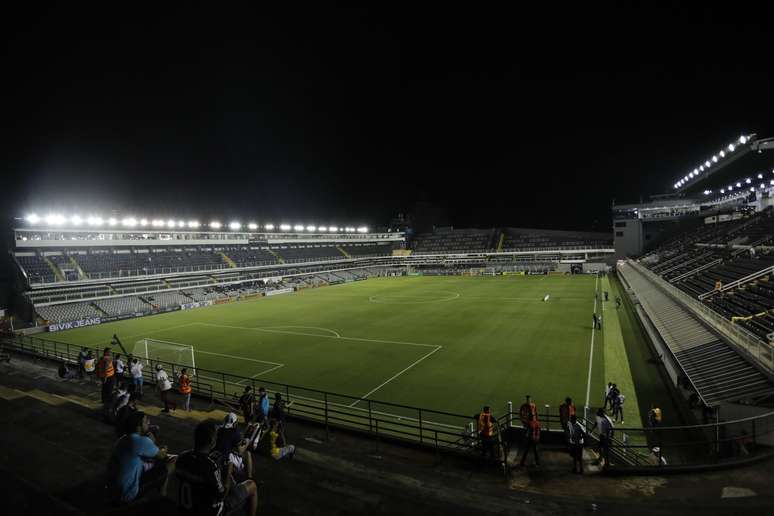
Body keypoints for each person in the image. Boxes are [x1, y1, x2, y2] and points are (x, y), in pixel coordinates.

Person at [176, 420, 259, 516]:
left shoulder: (182, 457)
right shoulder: (210, 466)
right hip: (210, 511)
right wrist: (228, 472)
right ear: (212, 441)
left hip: (186, 508)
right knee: (252, 485)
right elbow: (221, 496)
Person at [106, 411, 176, 505]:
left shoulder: (123, 439)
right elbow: (161, 456)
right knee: (173, 460)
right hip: (128, 493)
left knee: (152, 462)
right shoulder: (141, 441)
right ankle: (162, 494)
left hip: (113, 488)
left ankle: (161, 490)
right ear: (138, 426)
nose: (149, 423)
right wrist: (158, 445)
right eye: (146, 421)